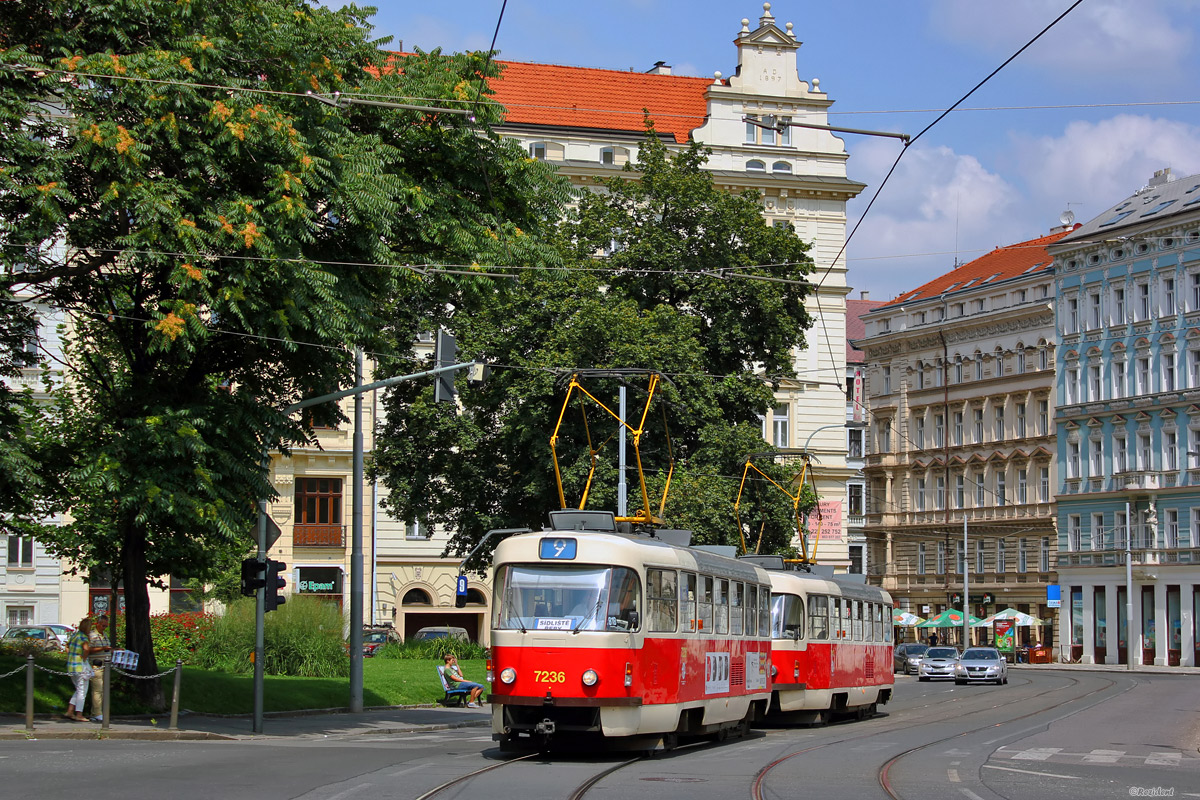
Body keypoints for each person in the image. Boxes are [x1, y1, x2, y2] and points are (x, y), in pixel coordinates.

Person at [64, 619, 97, 722]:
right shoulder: (83, 637)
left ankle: (70, 710)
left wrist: (71, 654)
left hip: (71, 665)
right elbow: (87, 649)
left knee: (78, 689)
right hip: (80, 666)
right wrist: (83, 657)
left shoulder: (75, 635)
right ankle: (79, 714)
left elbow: (67, 646)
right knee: (82, 690)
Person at [88, 614, 113, 722]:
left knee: (102, 690)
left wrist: (114, 650)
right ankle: (97, 713)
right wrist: (102, 648)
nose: (104, 628)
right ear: (97, 624)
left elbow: (107, 649)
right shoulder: (92, 635)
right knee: (97, 690)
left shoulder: (105, 635)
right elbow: (88, 649)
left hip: (105, 665)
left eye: (106, 626)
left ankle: (97, 712)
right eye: (103, 626)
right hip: (96, 665)